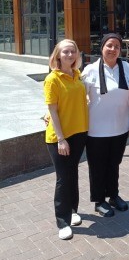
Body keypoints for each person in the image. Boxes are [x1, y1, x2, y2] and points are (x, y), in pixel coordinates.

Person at [82, 33, 129, 218]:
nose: (113, 49)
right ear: (102, 47)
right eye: (109, 45)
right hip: (96, 130)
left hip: (120, 127)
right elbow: (77, 97)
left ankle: (113, 195)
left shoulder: (126, 68)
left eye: (117, 46)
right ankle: (99, 200)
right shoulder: (90, 70)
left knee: (114, 164)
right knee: (97, 166)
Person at [44, 39, 88, 240]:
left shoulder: (77, 75)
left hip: (79, 132)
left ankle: (72, 210)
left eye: (73, 51)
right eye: (66, 52)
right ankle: (62, 222)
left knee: (73, 173)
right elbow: (52, 109)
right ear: (58, 55)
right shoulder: (52, 79)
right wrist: (61, 139)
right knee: (63, 178)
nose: (70, 55)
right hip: (60, 137)